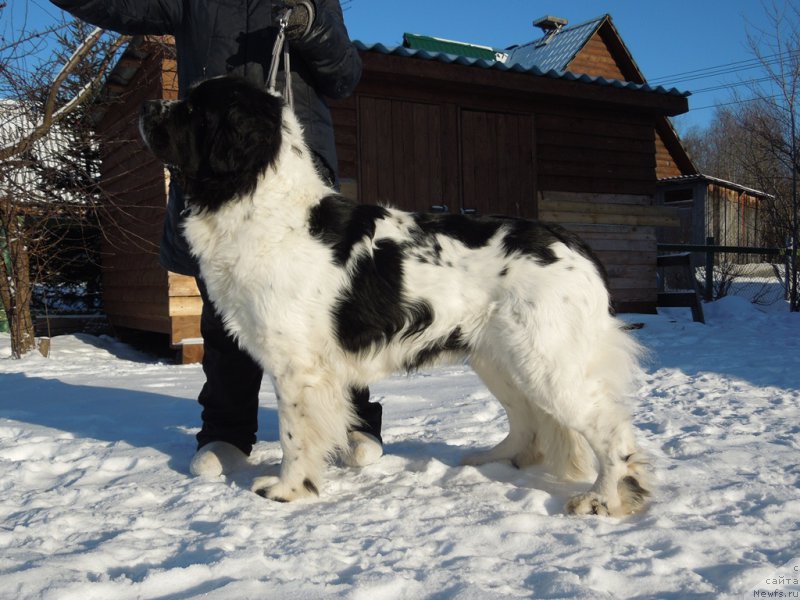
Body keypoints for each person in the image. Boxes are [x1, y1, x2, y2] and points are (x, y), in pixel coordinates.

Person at [50, 0, 384, 475]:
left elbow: (344, 76)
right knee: (227, 316)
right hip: (214, 182)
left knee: (329, 313)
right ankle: (227, 432)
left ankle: (355, 422)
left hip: (293, 185)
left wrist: (313, 24)